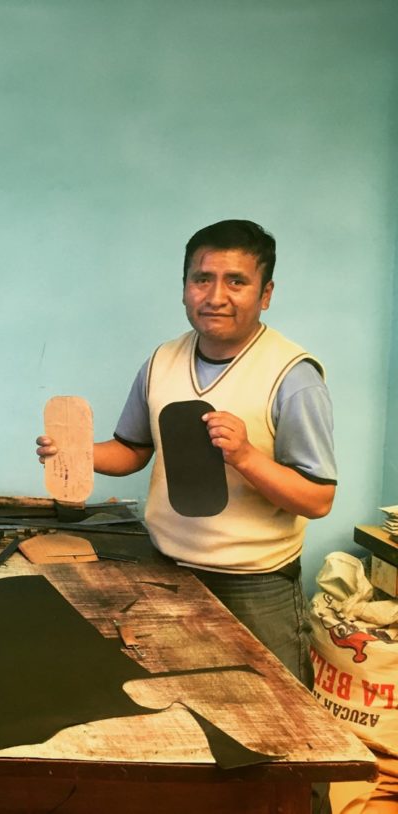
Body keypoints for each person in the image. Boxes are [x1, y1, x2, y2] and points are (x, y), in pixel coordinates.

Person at [37, 219, 336, 688]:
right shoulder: (161, 361)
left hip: (255, 586)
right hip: (165, 570)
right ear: (184, 288)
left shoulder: (294, 377)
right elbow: (133, 450)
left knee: (275, 712)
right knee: (173, 698)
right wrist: (74, 452)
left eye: (236, 281)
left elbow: (317, 499)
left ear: (266, 294)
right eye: (202, 279)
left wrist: (245, 456)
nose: (216, 296)